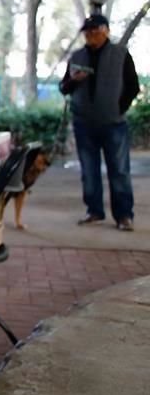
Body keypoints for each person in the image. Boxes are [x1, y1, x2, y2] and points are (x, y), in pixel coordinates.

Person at [59, 13, 139, 231]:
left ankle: (124, 216)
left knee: (119, 170)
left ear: (106, 31)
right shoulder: (76, 57)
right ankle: (94, 211)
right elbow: (63, 87)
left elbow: (133, 87)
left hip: (114, 123)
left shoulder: (121, 54)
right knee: (89, 170)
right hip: (84, 124)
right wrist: (73, 81)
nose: (91, 35)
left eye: (95, 31)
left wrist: (118, 109)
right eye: (87, 32)